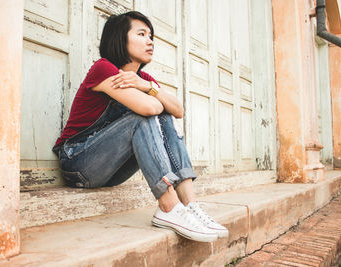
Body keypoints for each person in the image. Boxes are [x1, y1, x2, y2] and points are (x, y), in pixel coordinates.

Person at [52, 11, 228, 242]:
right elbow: (149, 109)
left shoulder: (143, 77)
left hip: (109, 171)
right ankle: (168, 206)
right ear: (119, 38)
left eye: (151, 36)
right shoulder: (103, 69)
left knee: (166, 116)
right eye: (142, 34)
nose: (150, 41)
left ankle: (190, 206)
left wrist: (148, 86)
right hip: (77, 163)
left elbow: (178, 110)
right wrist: (152, 93)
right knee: (145, 117)